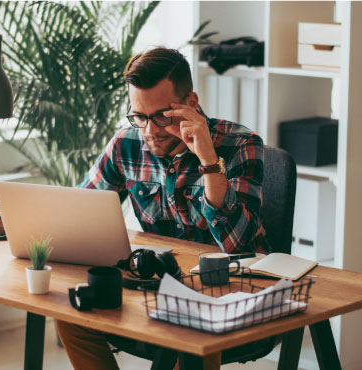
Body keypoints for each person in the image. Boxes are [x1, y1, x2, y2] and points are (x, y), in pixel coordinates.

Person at [56, 47, 269, 370]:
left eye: (161, 116)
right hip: (156, 290)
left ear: (191, 104)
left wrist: (209, 163)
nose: (150, 130)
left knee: (191, 338)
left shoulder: (240, 145)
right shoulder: (127, 144)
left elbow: (237, 246)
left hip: (231, 294)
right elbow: (81, 215)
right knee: (72, 313)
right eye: (140, 116)